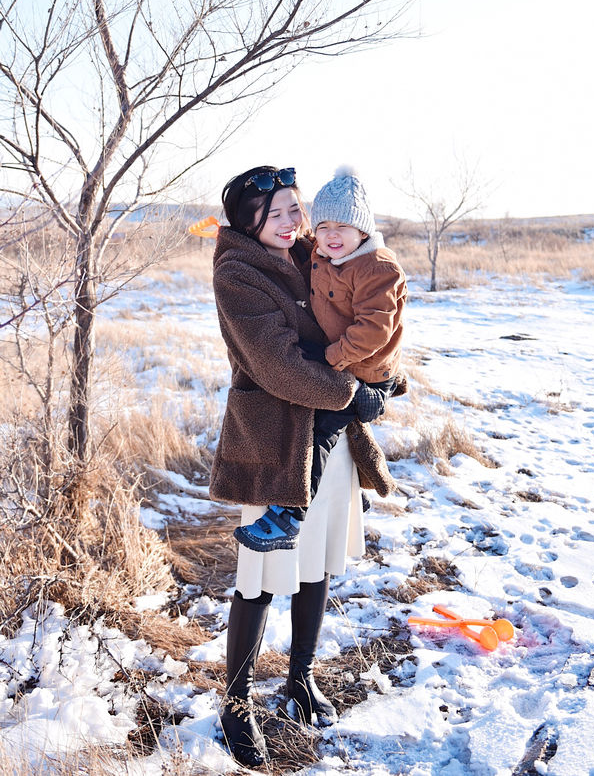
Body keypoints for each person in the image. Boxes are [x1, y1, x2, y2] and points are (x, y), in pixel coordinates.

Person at [208, 165, 398, 769]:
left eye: (297, 209)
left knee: (315, 562)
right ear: (249, 220)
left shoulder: (315, 251)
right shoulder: (239, 273)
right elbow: (277, 365)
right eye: (280, 212)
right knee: (260, 578)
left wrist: (380, 374)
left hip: (331, 438)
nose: (295, 222)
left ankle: (300, 678)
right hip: (276, 442)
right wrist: (352, 393)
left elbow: (373, 298)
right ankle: (236, 705)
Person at [235, 166, 407, 554]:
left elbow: (375, 331)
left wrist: (333, 359)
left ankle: (290, 514)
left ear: (362, 229)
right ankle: (351, 492)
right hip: (342, 361)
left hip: (358, 367)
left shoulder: (376, 267)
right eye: (323, 224)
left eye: (341, 226)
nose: (329, 234)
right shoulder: (324, 251)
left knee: (321, 432)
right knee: (327, 427)